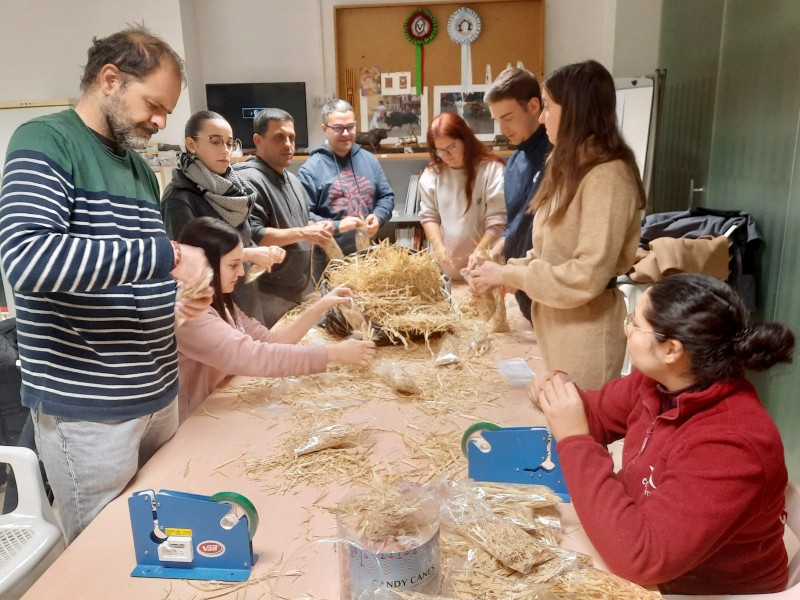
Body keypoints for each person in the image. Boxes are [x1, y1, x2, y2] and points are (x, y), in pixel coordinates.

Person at [0, 25, 213, 543]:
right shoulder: (45, 140)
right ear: (110, 79)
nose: (160, 121)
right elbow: (28, 257)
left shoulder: (138, 169)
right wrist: (169, 254)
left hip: (158, 396)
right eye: (154, 105)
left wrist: (177, 299)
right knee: (107, 550)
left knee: (164, 541)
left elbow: (133, 274)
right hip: (92, 416)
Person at [531, 273, 794, 595]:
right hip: (646, 542)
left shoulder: (731, 445)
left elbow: (642, 560)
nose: (626, 328)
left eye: (635, 323)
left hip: (709, 588)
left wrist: (575, 440)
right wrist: (556, 391)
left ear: (671, 349)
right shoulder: (662, 382)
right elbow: (593, 414)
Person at [470, 60, 645, 388]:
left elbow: (585, 275)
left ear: (576, 110)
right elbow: (549, 251)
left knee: (580, 429)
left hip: (585, 332)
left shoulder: (607, 176)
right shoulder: (568, 168)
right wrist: (503, 270)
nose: (541, 116)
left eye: (548, 106)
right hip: (557, 324)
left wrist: (509, 273)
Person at [174, 217, 376, 421]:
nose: (242, 272)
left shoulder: (220, 301)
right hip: (194, 419)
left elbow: (271, 340)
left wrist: (322, 304)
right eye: (233, 265)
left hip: (217, 406)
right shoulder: (192, 313)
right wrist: (334, 354)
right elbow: (253, 356)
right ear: (205, 266)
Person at [160, 110, 286, 323]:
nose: (225, 150)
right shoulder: (179, 197)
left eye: (229, 143)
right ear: (191, 144)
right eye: (215, 141)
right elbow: (189, 261)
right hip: (211, 307)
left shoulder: (235, 191)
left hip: (245, 296)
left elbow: (240, 239)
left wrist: (260, 251)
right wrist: (248, 255)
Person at [234, 108, 334, 327]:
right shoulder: (248, 180)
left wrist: (314, 227)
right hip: (266, 295)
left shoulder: (292, 179)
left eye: (292, 137)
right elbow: (255, 236)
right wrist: (305, 233)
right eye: (279, 137)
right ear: (258, 140)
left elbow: (294, 225)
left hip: (295, 292)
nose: (288, 144)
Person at [298, 99, 395, 282]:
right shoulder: (310, 169)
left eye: (350, 127)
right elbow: (304, 217)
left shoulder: (369, 160)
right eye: (338, 128)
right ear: (324, 128)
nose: (345, 134)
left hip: (367, 258)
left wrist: (379, 216)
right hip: (329, 262)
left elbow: (386, 197)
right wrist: (337, 226)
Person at [483, 67, 550, 321]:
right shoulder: (513, 163)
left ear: (534, 106)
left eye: (508, 117)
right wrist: (499, 248)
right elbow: (516, 222)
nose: (502, 128)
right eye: (497, 119)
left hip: (550, 292)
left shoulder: (558, 157)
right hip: (522, 291)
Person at [418, 112, 506, 280]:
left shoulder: (491, 170)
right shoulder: (431, 174)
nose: (446, 156)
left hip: (486, 266)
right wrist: (438, 247)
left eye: (452, 147)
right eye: (440, 150)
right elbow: (429, 216)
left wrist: (481, 250)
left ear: (466, 140)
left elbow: (498, 219)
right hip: (447, 268)